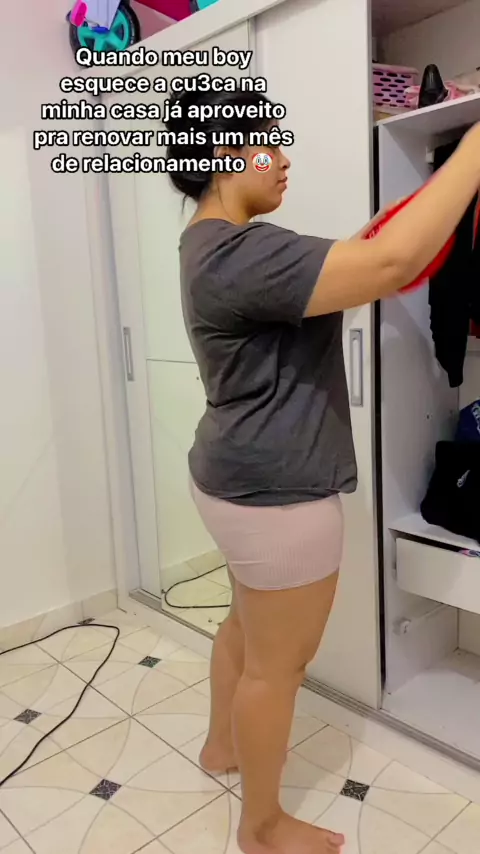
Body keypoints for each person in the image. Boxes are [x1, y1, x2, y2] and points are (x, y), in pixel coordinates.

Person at [165, 85, 480, 854]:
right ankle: (262, 826)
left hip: (229, 476)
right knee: (278, 668)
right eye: (268, 143)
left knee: (244, 627)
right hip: (277, 494)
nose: (283, 159)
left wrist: (388, 222)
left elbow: (363, 254)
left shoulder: (210, 245)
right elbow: (393, 262)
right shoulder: (242, 256)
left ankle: (222, 747)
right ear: (224, 152)